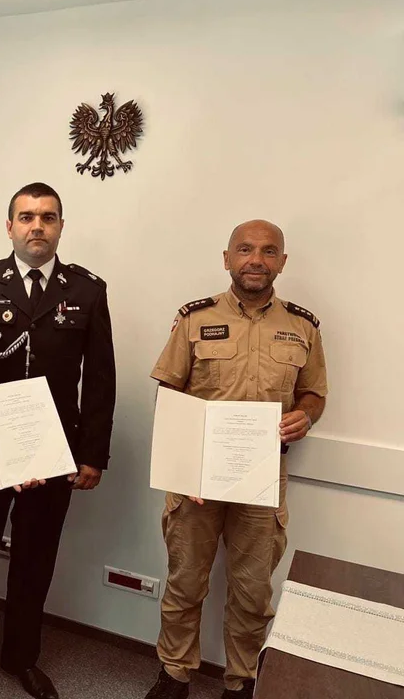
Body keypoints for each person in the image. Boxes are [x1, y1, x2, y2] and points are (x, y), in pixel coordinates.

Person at [0, 182, 116, 699]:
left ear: (61, 227)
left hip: (53, 451)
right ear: (9, 226)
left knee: (35, 562)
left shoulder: (87, 291)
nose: (38, 226)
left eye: (48, 217)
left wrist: (92, 453)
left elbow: (100, 378)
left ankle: (21, 658)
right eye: (27, 217)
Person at [142, 220, 327, 699]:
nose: (256, 260)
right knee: (185, 583)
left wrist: (305, 416)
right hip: (196, 480)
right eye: (245, 249)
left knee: (252, 592)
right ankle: (174, 674)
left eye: (268, 251)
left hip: (261, 481)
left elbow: (314, 393)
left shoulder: (302, 327)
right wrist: (182, 468)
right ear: (227, 258)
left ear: (282, 262)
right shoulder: (194, 319)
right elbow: (169, 394)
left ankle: (241, 681)